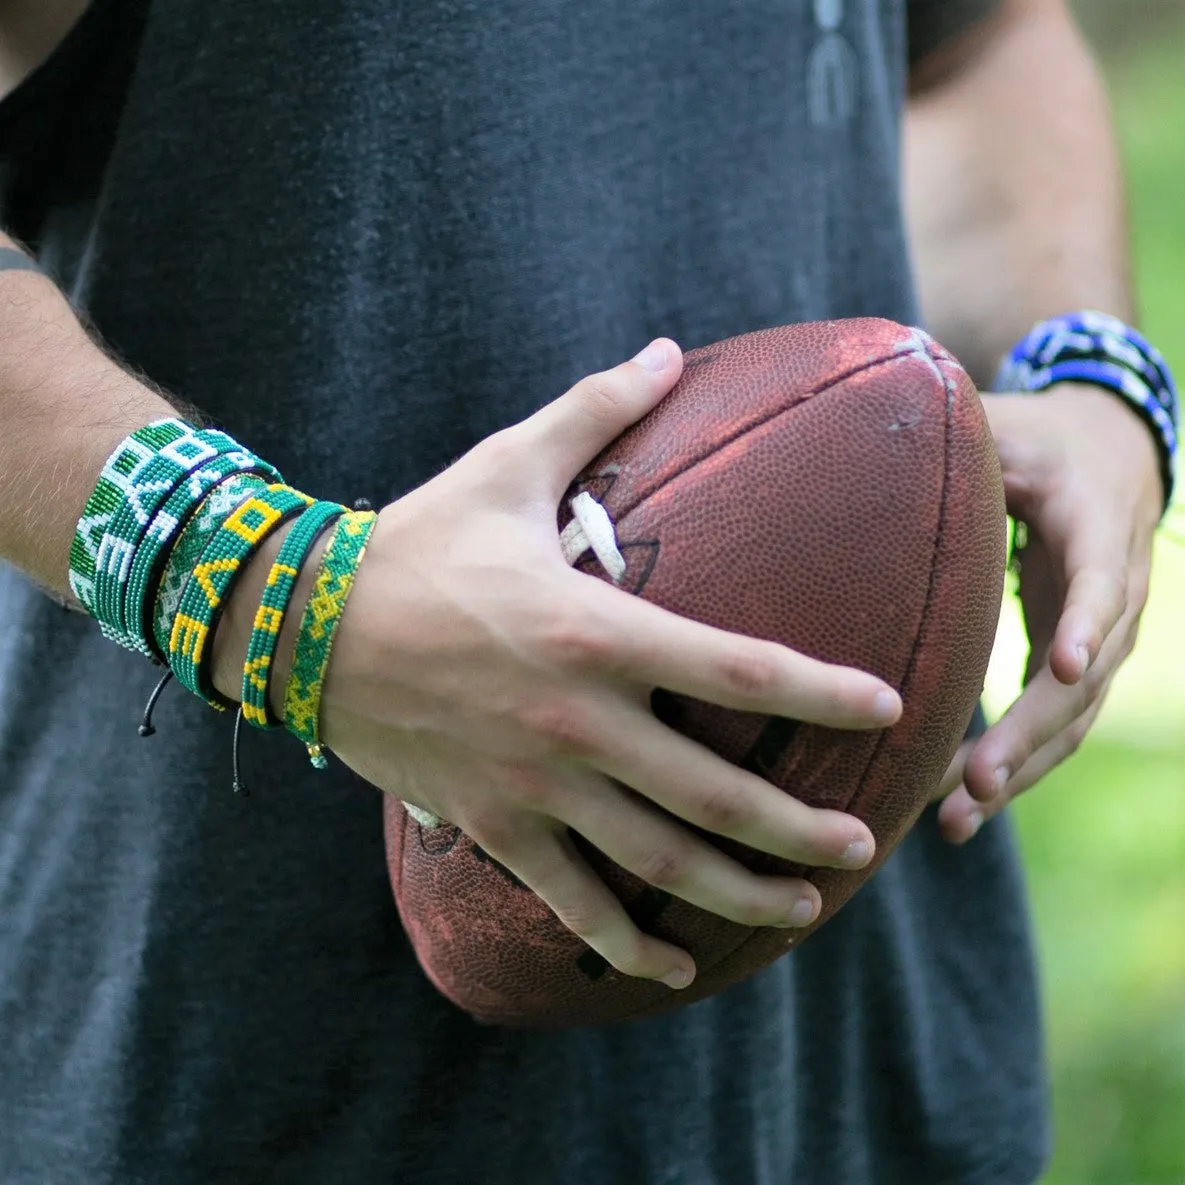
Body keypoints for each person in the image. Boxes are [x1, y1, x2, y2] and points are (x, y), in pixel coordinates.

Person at [0, 0, 1171, 1181]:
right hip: (246, 1056)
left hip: (862, 1055)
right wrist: (272, 587)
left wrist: (1088, 375)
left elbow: (976, 43)